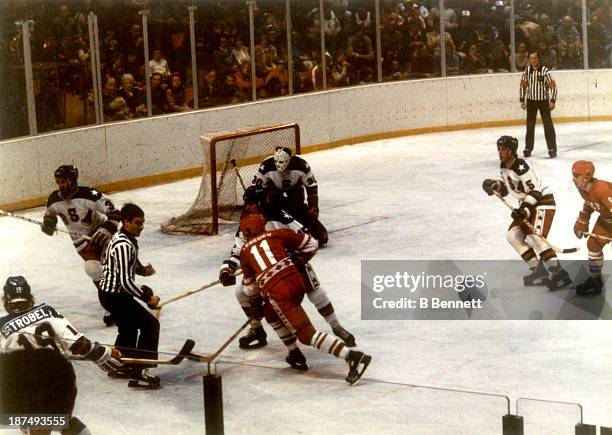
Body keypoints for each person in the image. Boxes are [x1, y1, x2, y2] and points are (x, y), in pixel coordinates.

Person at [219, 186, 355, 355]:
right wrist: (227, 269)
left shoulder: (279, 216)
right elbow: (238, 251)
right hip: (266, 274)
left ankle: (336, 326)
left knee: (316, 292)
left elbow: (306, 237)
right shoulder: (247, 222)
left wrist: (293, 258)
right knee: (241, 292)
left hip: (292, 265)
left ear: (261, 203)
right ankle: (256, 329)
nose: (247, 207)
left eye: (251, 203)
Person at [238, 213, 371, 385]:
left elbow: (249, 289)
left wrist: (256, 305)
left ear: (245, 232)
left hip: (278, 292)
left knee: (306, 335)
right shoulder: (277, 233)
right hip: (296, 280)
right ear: (262, 226)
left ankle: (352, 357)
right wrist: (296, 260)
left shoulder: (244, 252)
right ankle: (294, 353)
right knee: (270, 313)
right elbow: (312, 244)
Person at [0, 276, 122, 434]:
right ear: (29, 297)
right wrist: (101, 353)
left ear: (6, 301)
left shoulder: (2, 326)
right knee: (64, 419)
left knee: (38, 425)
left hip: (30, 385)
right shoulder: (47, 311)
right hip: (62, 379)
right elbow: (79, 344)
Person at [482, 136, 571, 290]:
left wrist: (524, 210)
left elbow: (535, 190)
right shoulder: (504, 166)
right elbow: (509, 187)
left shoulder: (521, 166)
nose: (500, 152)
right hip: (527, 205)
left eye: (503, 149)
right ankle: (539, 270)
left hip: (543, 202)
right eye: (499, 149)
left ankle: (559, 274)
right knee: (513, 236)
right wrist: (496, 186)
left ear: (511, 150)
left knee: (533, 237)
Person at [42, 165, 121, 326]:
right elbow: (49, 216)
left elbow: (115, 214)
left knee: (112, 268)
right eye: (58, 182)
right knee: (94, 270)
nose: (60, 186)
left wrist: (106, 230)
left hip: (99, 232)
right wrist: (48, 225)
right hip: (80, 242)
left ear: (72, 181)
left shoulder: (90, 194)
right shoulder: (54, 199)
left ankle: (125, 296)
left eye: (63, 181)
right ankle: (111, 306)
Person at [98, 203, 160, 389]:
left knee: (129, 327)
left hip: (109, 293)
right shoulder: (124, 244)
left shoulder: (124, 238)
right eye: (137, 222)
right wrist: (147, 297)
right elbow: (125, 282)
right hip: (115, 296)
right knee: (150, 325)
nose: (141, 226)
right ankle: (140, 372)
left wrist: (142, 270)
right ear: (125, 222)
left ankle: (121, 364)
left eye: (142, 222)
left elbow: (126, 267)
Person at [253, 147, 329, 246]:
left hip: (294, 189)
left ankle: (298, 222)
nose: (278, 165)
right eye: (276, 161)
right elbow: (255, 188)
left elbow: (312, 187)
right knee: (271, 205)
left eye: (282, 161)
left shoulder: (301, 165)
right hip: (273, 191)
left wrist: (313, 206)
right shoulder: (266, 165)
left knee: (321, 237)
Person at [571, 160, 611, 295]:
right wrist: (583, 219)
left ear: (587, 177)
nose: (573, 179)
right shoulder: (582, 188)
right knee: (593, 245)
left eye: (576, 176)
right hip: (606, 220)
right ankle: (596, 281)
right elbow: (589, 203)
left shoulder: (602, 190)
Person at [519, 50, 558, 158]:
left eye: (535, 58)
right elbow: (523, 86)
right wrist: (522, 100)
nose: (533, 60)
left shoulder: (545, 71)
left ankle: (552, 149)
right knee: (530, 126)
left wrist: (552, 101)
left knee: (548, 125)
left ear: (539, 59)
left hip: (543, 102)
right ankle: (528, 148)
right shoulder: (527, 70)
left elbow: (553, 87)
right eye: (531, 58)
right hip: (531, 101)